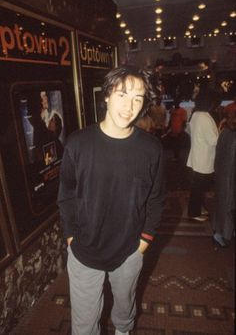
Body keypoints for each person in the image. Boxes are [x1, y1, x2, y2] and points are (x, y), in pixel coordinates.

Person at [57, 65, 166, 335]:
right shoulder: (77, 143)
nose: (129, 106)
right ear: (106, 95)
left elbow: (156, 199)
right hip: (83, 251)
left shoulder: (152, 149)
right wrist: (71, 237)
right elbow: (67, 194)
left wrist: (143, 243)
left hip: (129, 251)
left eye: (137, 99)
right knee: (83, 328)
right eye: (122, 94)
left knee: (124, 315)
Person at [186, 88, 219, 221]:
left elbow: (188, 131)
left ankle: (198, 209)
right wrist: (220, 131)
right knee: (198, 188)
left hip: (197, 157)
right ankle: (194, 213)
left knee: (197, 187)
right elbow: (213, 140)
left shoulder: (195, 114)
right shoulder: (205, 117)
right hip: (204, 158)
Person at [212, 110, 236, 247]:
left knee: (223, 204)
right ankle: (220, 234)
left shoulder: (225, 133)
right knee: (228, 205)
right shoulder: (231, 136)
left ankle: (221, 232)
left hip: (222, 175)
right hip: (229, 177)